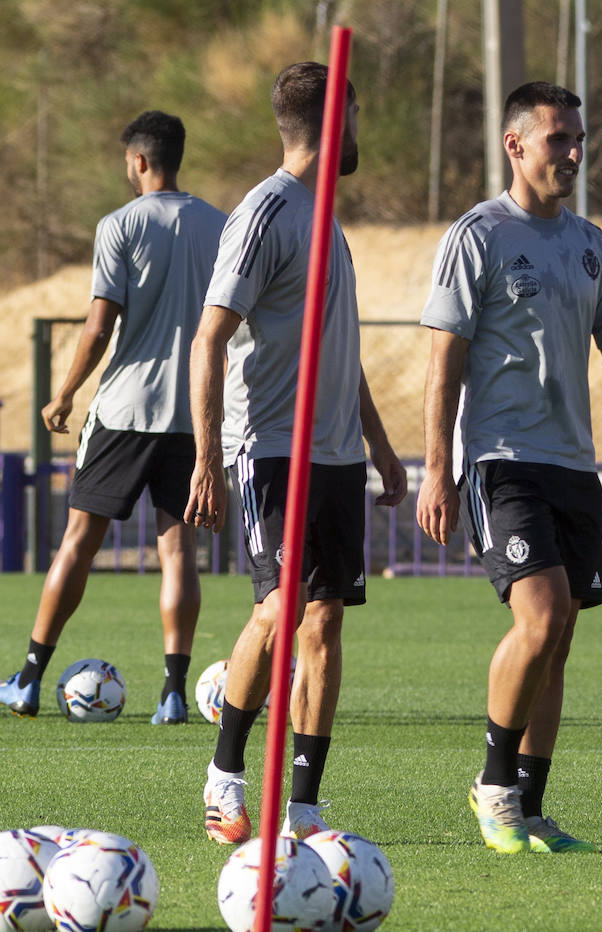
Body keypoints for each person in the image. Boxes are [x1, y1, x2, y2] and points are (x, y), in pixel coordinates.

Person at [416, 81, 602, 855]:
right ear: (515, 145)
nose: (574, 153)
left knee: (561, 636)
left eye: (579, 139)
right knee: (538, 617)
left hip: (574, 463)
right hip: (502, 459)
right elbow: (444, 357)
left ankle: (530, 807)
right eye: (558, 140)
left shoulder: (588, 242)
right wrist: (436, 467)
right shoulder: (476, 235)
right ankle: (491, 785)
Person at [185, 62, 406, 845]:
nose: (360, 132)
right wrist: (207, 459)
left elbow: (334, 351)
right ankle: (223, 776)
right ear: (335, 116)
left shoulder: (327, 218)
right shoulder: (266, 214)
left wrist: (378, 444)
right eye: (356, 113)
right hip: (272, 448)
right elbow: (208, 339)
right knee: (280, 611)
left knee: (324, 623)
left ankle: (305, 807)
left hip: (338, 456)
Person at [0, 111, 225, 724]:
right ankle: (174, 694)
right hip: (193, 414)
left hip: (126, 409)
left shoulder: (120, 225)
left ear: (140, 161)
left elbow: (100, 325)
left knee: (78, 544)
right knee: (178, 552)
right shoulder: (221, 226)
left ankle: (27, 677)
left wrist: (65, 393)